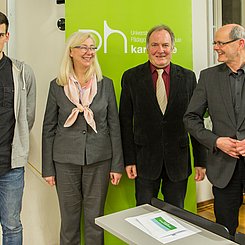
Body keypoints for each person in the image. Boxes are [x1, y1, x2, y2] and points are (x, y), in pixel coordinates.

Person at [42, 31, 124, 245]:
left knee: (95, 220)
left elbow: (114, 126)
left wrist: (117, 165)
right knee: (69, 222)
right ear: (71, 52)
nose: (89, 52)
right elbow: (48, 127)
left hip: (99, 160)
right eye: (84, 47)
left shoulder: (106, 84)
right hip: (64, 161)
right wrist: (48, 168)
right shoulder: (57, 86)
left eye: (92, 48)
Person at [119, 24, 207, 208]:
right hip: (145, 162)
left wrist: (201, 160)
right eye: (155, 45)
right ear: (147, 48)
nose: (160, 50)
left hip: (178, 163)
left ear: (172, 48)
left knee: (177, 218)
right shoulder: (131, 77)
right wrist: (129, 159)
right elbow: (125, 122)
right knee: (143, 217)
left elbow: (195, 121)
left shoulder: (188, 77)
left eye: (165, 45)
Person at [184, 24, 245, 236]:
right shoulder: (208, 77)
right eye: (215, 43)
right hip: (223, 167)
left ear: (240, 44)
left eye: (221, 43)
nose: (216, 48)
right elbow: (191, 118)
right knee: (224, 229)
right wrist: (217, 141)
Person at [0, 12, 36, 245]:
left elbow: (27, 117)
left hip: (10, 166)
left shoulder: (21, 73)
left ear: (7, 36)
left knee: (12, 226)